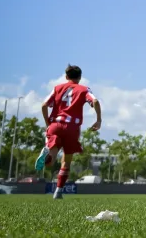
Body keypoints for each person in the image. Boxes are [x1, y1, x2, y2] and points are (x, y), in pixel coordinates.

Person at [35, 64, 102, 200]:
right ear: (80, 77)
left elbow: (43, 105)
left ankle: (48, 152)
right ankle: (58, 192)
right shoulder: (84, 89)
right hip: (72, 128)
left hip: (55, 124)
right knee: (66, 162)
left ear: (66, 77)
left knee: (50, 161)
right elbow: (94, 101)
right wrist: (98, 120)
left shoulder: (57, 88)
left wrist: (48, 124)